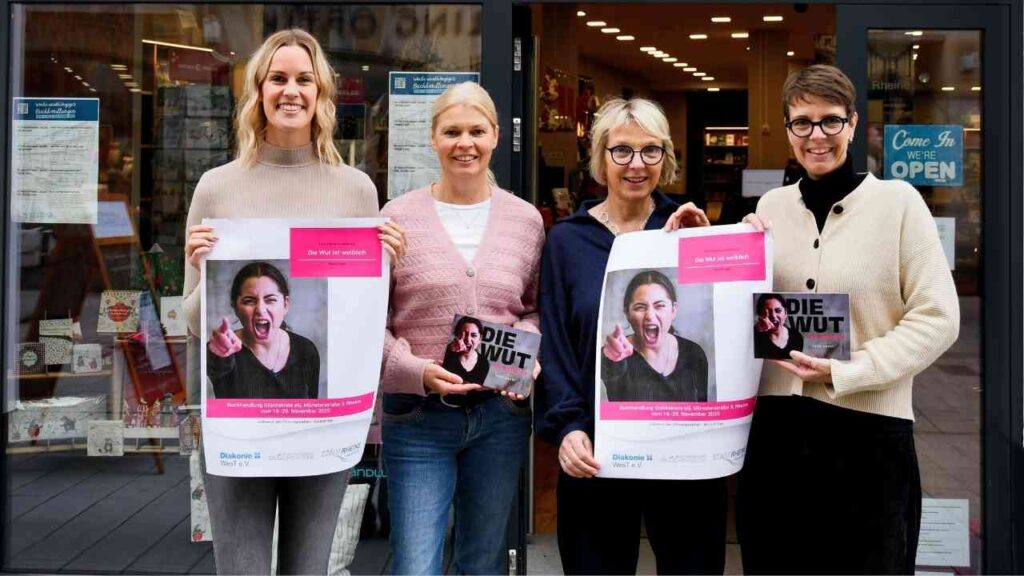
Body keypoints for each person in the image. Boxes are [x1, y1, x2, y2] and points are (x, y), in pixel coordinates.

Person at [181, 28, 405, 575]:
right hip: (236, 431)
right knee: (242, 570)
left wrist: (385, 269)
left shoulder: (355, 189)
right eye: (278, 78)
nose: (291, 90)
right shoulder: (216, 186)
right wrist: (200, 275)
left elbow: (360, 317)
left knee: (309, 570)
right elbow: (191, 320)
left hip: (322, 430)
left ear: (321, 94)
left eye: (304, 79)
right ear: (258, 91)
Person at [738, 64, 960, 574]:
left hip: (868, 435)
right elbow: (738, 306)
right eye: (802, 122)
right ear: (788, 129)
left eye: (830, 121)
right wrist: (723, 244)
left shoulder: (898, 203)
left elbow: (938, 316)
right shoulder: (770, 207)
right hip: (778, 435)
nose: (817, 136)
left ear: (853, 124)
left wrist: (847, 371)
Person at [536, 97, 724, 575]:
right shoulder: (567, 240)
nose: (636, 165)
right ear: (600, 158)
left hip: (684, 451)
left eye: (650, 151)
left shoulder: (686, 229)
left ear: (667, 158)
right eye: (621, 151)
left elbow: (724, 329)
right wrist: (568, 427)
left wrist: (708, 252)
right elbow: (555, 344)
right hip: (596, 451)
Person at [379, 82, 544, 575]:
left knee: (483, 560)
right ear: (433, 138)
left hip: (499, 417)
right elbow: (372, 320)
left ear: (495, 135)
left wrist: (530, 358)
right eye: (452, 131)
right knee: (415, 564)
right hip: (418, 418)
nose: (464, 143)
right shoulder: (396, 219)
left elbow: (534, 308)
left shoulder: (526, 220)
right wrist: (413, 370)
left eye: (476, 131)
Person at [207, 261, 320, 399]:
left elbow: (312, 410)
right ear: (235, 308)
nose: (260, 310)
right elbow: (216, 365)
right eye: (249, 301)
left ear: (285, 305)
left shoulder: (306, 350)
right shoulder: (223, 350)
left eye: (270, 300)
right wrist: (217, 354)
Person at [601, 269, 708, 402]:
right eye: (640, 307)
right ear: (627, 313)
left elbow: (703, 410)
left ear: (673, 310)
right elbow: (611, 370)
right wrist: (612, 360)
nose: (650, 316)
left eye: (659, 306)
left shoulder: (694, 354)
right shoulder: (614, 355)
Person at [752, 292, 803, 360]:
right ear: (760, 315)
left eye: (778, 311)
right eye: (768, 312)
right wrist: (757, 331)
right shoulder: (755, 337)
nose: (773, 316)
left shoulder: (797, 337)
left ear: (785, 313)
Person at [441, 316, 490, 387]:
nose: (468, 339)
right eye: (464, 334)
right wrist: (451, 352)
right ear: (457, 335)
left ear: (480, 339)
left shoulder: (484, 363)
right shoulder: (447, 355)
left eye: (473, 335)